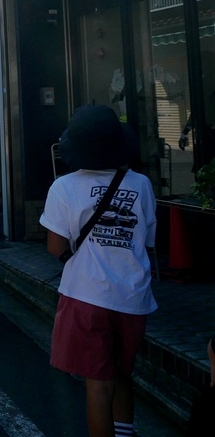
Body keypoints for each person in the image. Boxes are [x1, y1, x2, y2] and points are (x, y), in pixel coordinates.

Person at [41, 104, 156, 437]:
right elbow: (147, 241)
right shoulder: (141, 184)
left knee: (98, 385)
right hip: (133, 297)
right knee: (122, 375)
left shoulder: (63, 187)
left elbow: (55, 246)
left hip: (86, 295)